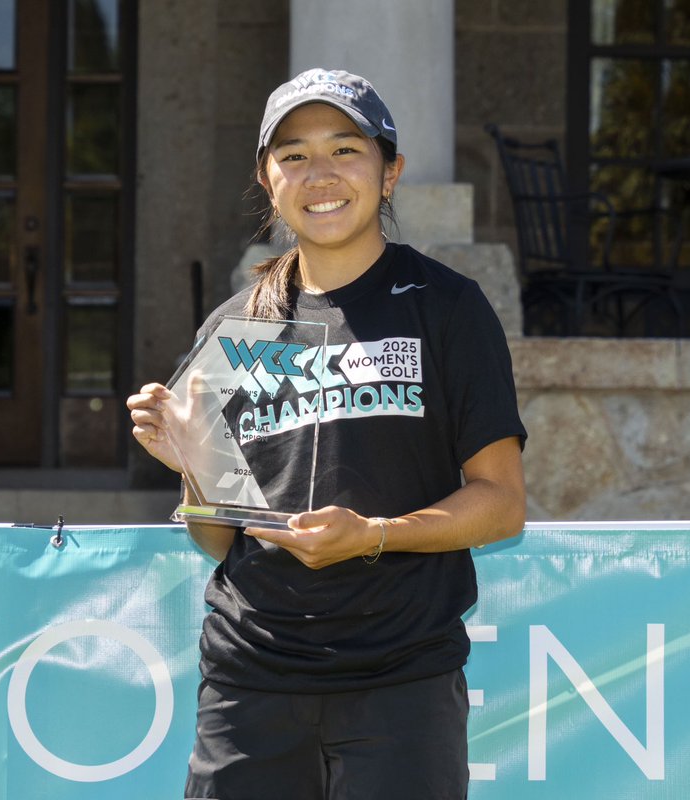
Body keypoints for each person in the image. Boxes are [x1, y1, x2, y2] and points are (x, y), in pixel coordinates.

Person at [126, 67, 527, 800]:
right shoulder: (235, 327)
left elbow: (501, 504)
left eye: (345, 149)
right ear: (267, 179)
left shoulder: (447, 307)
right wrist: (193, 463)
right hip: (249, 684)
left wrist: (372, 533)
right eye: (294, 154)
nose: (321, 174)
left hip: (401, 680)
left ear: (390, 172)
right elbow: (222, 537)